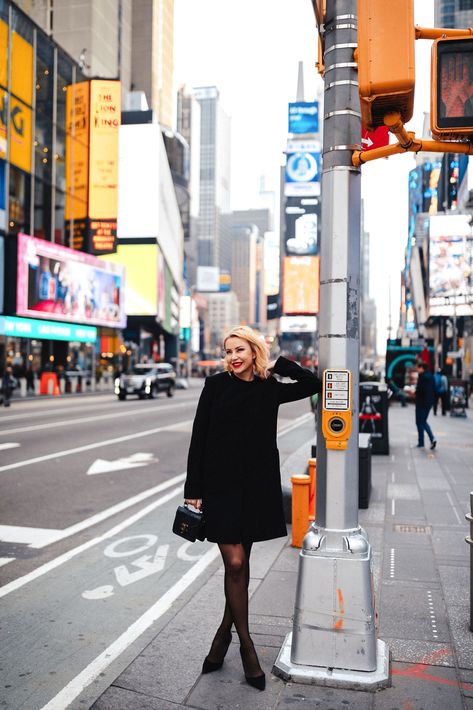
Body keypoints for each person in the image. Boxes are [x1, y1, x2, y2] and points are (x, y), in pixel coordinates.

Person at [183, 325, 321, 691]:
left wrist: (279, 364)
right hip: (220, 488)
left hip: (256, 488)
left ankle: (222, 637)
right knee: (236, 563)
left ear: (254, 351)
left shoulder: (267, 387)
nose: (233, 357)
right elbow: (199, 436)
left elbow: (313, 384)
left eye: (240, 349)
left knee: (241, 567)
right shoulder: (215, 386)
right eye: (228, 351)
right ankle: (247, 646)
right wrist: (192, 489)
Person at [415, 362, 437, 449]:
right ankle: (431, 439)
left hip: (421, 402)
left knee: (419, 422)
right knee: (423, 421)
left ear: (421, 368)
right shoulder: (431, 376)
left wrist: (414, 391)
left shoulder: (422, 377)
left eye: (418, 368)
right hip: (428, 403)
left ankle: (422, 442)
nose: (417, 370)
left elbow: (420, 390)